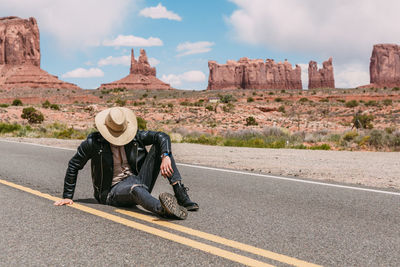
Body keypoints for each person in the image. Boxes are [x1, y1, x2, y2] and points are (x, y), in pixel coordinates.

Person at [54, 107, 199, 220]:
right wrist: (67, 196)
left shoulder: (134, 136)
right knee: (135, 188)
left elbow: (161, 136)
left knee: (160, 149)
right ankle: (163, 209)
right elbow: (74, 165)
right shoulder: (93, 143)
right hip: (112, 191)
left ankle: (180, 195)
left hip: (138, 180)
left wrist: (165, 155)